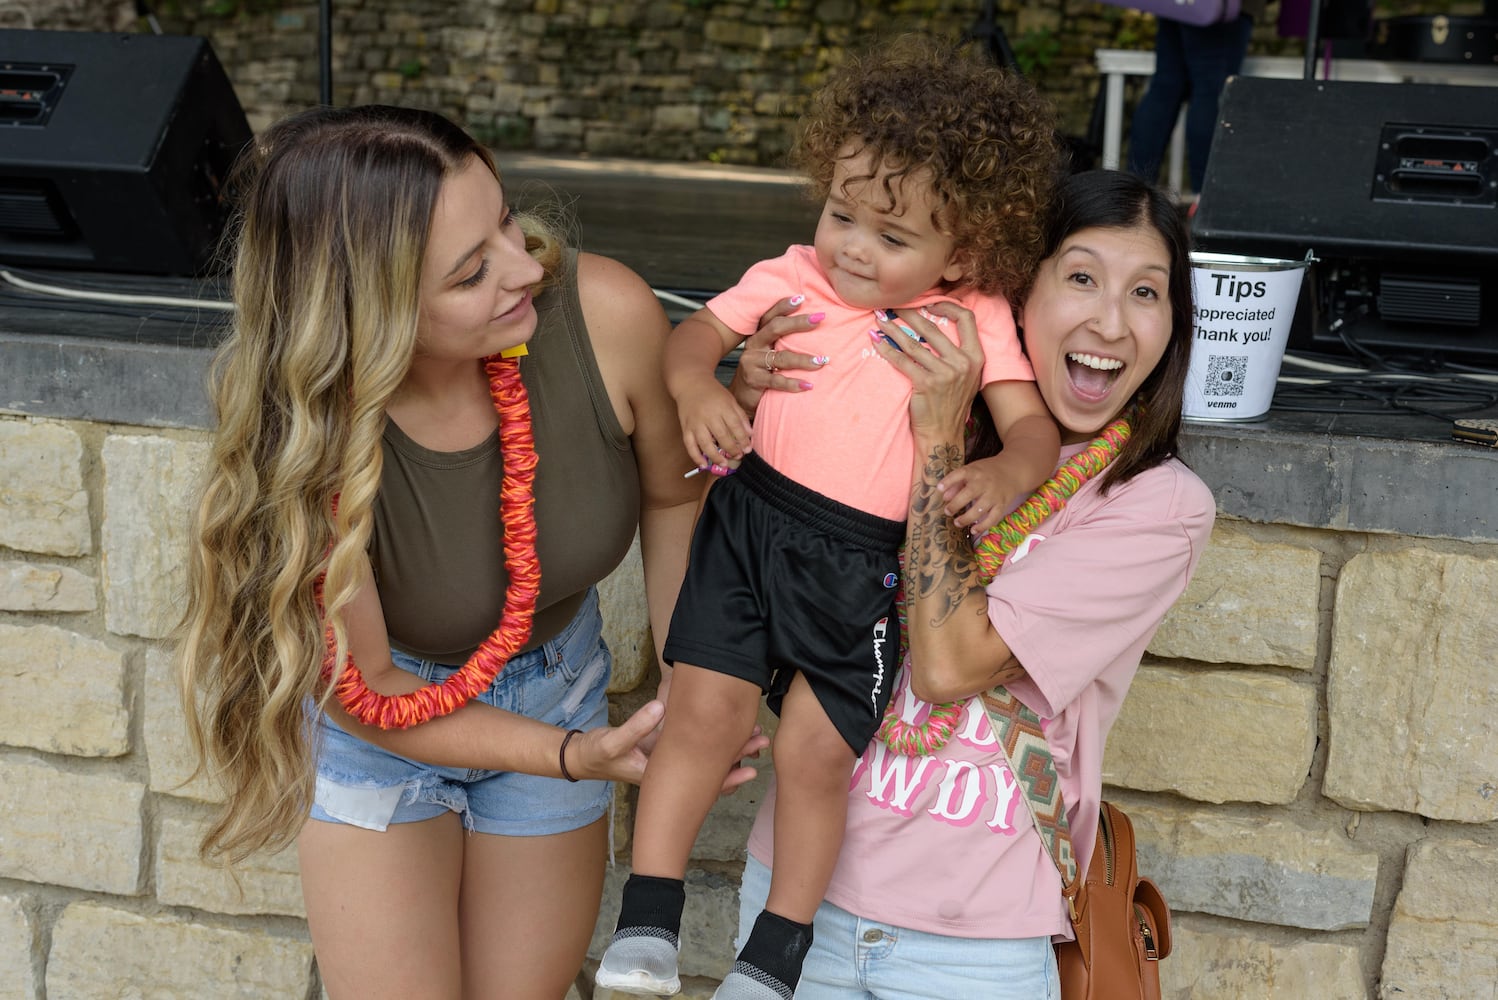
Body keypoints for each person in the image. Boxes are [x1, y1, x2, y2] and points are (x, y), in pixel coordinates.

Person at [175, 104, 764, 1000]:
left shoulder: (604, 315)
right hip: (387, 727)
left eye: (503, 221)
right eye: (470, 271)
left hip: (559, 686)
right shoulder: (311, 435)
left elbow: (673, 495)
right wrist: (578, 757)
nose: (528, 267)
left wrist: (687, 680)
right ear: (370, 311)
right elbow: (371, 693)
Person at [598, 35, 1063, 1000]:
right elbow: (692, 341)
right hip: (751, 523)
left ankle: (773, 959)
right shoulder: (796, 274)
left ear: (962, 250)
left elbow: (1032, 434)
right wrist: (701, 389)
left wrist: (1007, 477)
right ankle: (648, 916)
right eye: (841, 212)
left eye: (892, 239)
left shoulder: (974, 316)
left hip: (865, 565)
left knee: (817, 755)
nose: (852, 245)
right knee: (703, 713)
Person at [732, 168, 1217, 997]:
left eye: (1146, 292)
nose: (1110, 319)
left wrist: (937, 441)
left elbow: (952, 665)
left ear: (1173, 327)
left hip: (972, 946)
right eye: (1080, 278)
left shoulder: (1157, 507)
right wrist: (750, 398)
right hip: (791, 901)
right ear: (1013, 296)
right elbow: (742, 552)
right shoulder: (890, 399)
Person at [1126, 0, 1267, 197]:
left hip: (1180, 4)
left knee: (1165, 87)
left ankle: (1133, 192)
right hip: (1220, 7)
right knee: (1210, 92)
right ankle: (1204, 197)